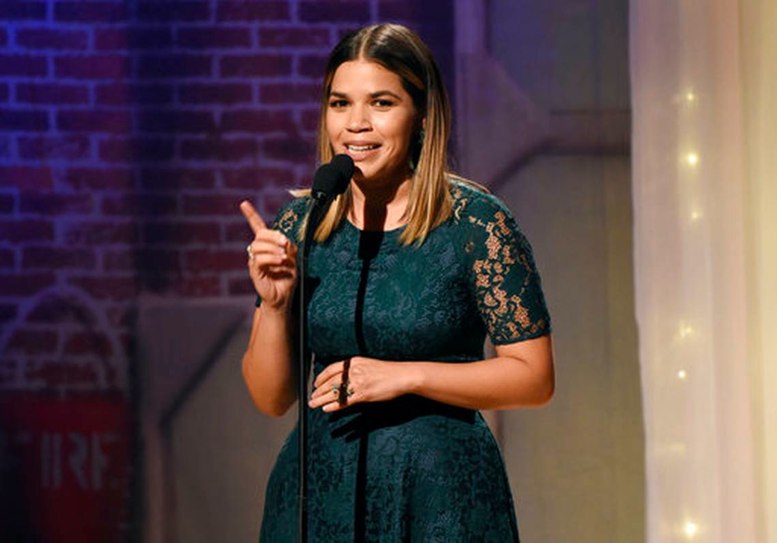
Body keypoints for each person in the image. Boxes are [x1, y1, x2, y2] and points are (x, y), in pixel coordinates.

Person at [240, 23, 554, 542]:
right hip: (321, 496)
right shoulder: (303, 223)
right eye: (340, 104)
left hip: (440, 497)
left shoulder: (475, 223)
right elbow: (271, 399)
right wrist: (274, 307)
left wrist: (403, 377)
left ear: (422, 116)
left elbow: (533, 378)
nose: (356, 124)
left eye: (381, 103)